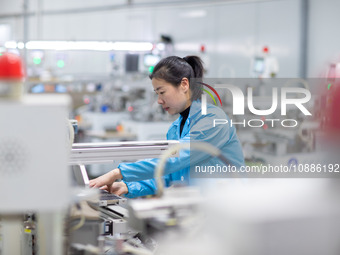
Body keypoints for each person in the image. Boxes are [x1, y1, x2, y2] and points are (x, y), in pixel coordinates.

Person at [89, 56, 245, 198]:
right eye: (157, 93)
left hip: (226, 209)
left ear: (184, 84)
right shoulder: (175, 129)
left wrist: (118, 172)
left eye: (162, 92)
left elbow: (174, 160)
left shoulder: (213, 120)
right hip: (195, 209)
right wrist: (127, 186)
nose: (159, 100)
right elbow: (169, 176)